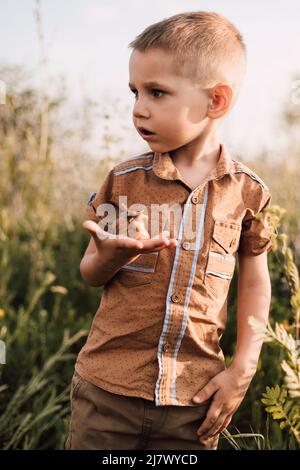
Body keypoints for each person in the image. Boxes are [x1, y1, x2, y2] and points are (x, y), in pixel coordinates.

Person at [65, 11, 273, 451]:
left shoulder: (249, 193)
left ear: (216, 101)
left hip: (193, 403)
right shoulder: (124, 181)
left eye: (157, 92)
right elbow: (90, 271)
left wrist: (242, 369)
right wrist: (109, 256)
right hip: (107, 395)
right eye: (135, 92)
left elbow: (255, 282)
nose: (139, 108)